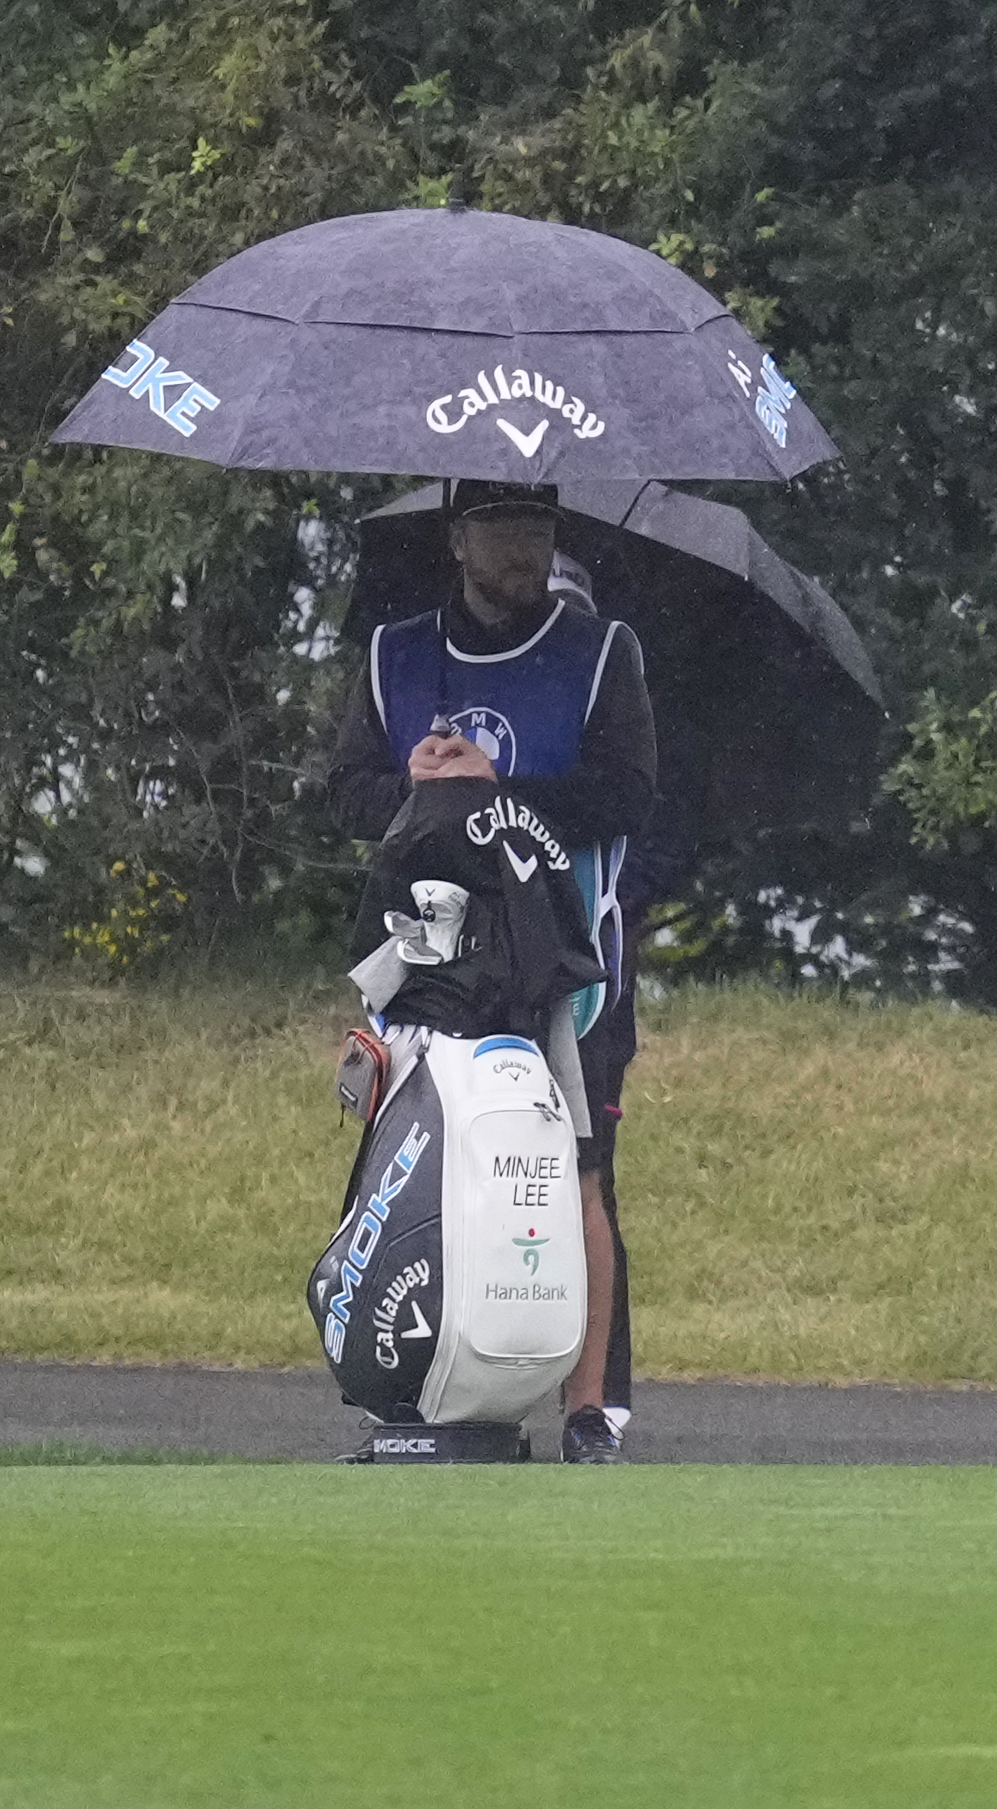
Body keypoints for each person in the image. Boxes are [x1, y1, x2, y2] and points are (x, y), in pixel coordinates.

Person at [332, 481, 655, 1463]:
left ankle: (590, 1406)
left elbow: (625, 792)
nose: (524, 550)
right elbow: (345, 794)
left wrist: (495, 785)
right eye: (503, 529)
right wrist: (416, 785)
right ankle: (417, 1384)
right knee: (409, 1166)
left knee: (577, 1173)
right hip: (425, 960)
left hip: (565, 959)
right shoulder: (396, 656)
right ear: (459, 538)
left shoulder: (603, 652)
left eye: (540, 529)